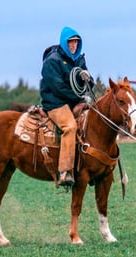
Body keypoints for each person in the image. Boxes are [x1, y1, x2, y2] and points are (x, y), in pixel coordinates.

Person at [40, 26, 95, 187]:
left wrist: (88, 79)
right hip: (56, 103)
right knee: (70, 127)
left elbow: (87, 84)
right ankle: (65, 171)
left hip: (75, 101)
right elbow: (57, 88)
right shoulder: (52, 61)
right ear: (64, 43)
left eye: (76, 42)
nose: (74, 46)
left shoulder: (79, 60)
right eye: (70, 42)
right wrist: (79, 97)